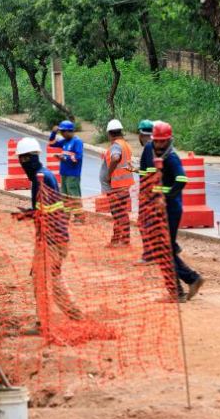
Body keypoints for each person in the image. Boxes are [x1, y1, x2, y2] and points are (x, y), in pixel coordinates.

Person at [12, 137, 84, 323]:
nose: (21, 164)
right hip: (53, 237)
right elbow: (44, 209)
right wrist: (30, 213)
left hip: (52, 239)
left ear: (27, 159)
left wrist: (28, 215)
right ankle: (73, 316)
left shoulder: (41, 178)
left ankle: (47, 322)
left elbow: (45, 212)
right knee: (46, 277)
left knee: (45, 279)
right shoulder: (43, 175)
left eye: (22, 159)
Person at [151, 121, 205, 301]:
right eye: (156, 141)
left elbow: (182, 180)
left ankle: (179, 290)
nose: (158, 145)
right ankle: (191, 280)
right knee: (166, 249)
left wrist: (165, 198)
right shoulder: (160, 157)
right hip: (163, 210)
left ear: (168, 141)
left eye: (162, 142)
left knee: (163, 251)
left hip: (171, 210)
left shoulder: (171, 158)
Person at [100, 119, 134, 247]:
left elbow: (115, 158)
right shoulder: (124, 144)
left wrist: (108, 175)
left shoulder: (115, 146)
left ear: (110, 133)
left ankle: (124, 240)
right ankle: (116, 239)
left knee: (119, 213)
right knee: (119, 213)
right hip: (123, 185)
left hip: (117, 186)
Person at [48, 120, 84, 220]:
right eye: (61, 132)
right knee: (64, 195)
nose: (62, 134)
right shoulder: (64, 141)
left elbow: (78, 157)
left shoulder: (77, 142)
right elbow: (51, 143)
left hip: (73, 173)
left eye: (63, 132)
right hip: (64, 172)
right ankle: (66, 215)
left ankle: (79, 217)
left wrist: (65, 158)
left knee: (73, 195)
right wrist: (53, 133)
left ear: (70, 131)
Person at [135, 119, 157, 262]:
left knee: (144, 222)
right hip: (155, 190)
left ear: (141, 134)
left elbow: (150, 171)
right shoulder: (157, 146)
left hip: (149, 192)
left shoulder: (149, 147)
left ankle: (149, 254)